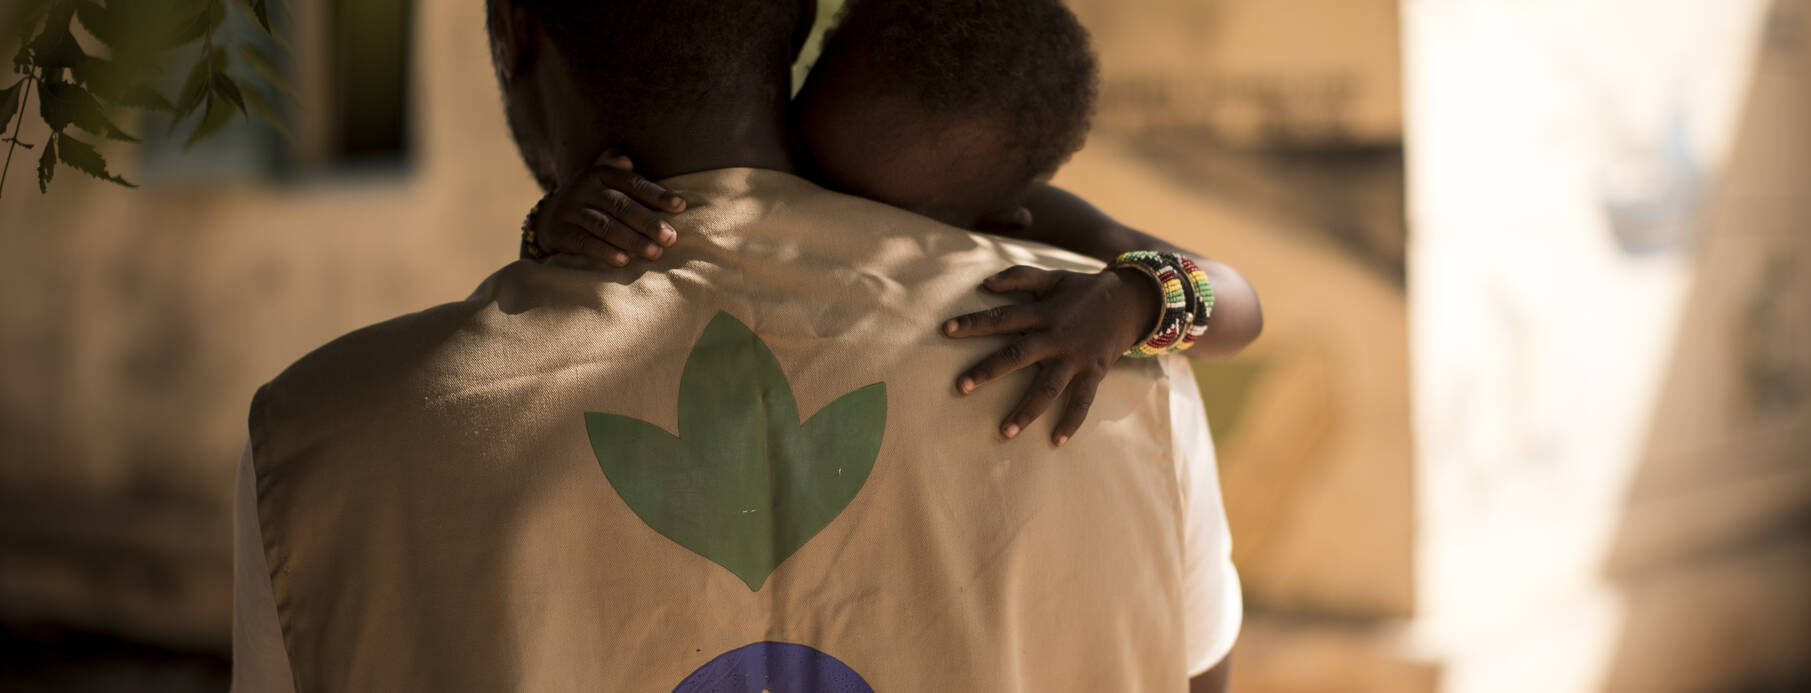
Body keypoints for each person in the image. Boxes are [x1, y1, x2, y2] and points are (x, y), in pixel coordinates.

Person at [231, 0, 1239, 691]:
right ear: (802, 29)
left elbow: (1208, 292)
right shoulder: (1118, 387)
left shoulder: (323, 435)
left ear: (512, 29)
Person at [524, 0, 1265, 447]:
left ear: (997, 218)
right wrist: (557, 223)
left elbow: (1242, 304)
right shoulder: (740, 155)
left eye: (877, 212)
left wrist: (1125, 302)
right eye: (808, 163)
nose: (820, 208)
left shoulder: (1042, 222)